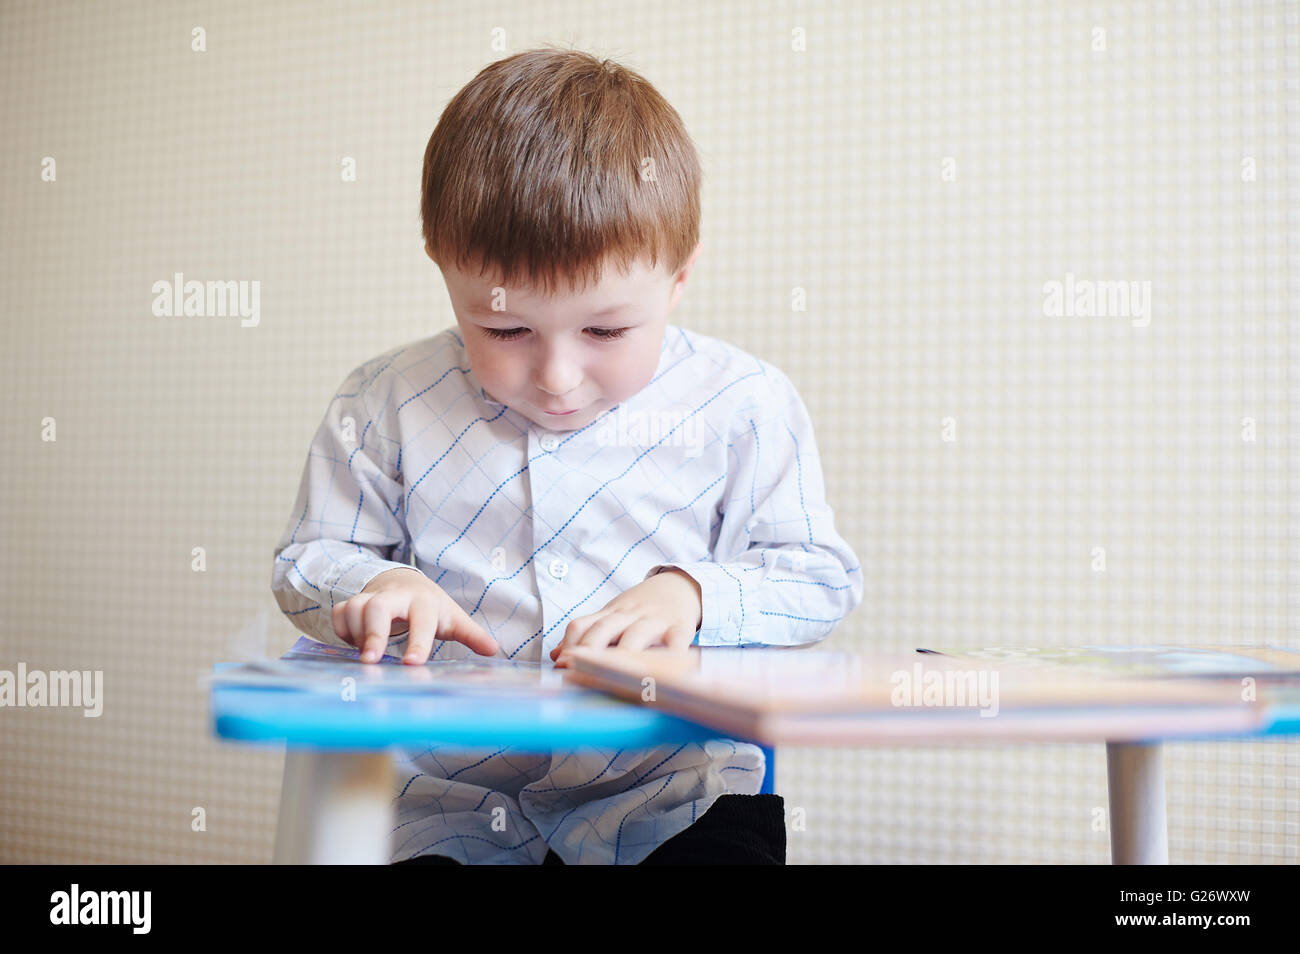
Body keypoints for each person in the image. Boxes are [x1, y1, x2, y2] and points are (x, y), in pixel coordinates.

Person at [270, 46, 864, 865]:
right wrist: (372, 583)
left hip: (674, 799)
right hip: (444, 812)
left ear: (679, 279)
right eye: (505, 329)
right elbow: (305, 560)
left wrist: (694, 595)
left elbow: (821, 578)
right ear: (446, 276)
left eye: (607, 330)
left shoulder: (744, 406)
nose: (555, 376)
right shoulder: (384, 404)